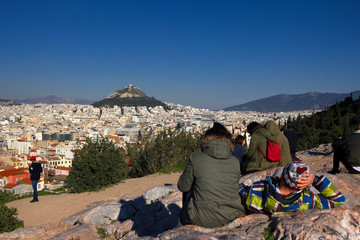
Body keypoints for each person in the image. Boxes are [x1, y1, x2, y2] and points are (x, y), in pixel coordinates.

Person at [178, 122, 246, 228]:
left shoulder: (195, 158)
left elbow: (183, 186)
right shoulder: (234, 161)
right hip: (233, 214)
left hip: (201, 219)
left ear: (206, 140)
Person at [239, 162, 345, 215]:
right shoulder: (308, 200)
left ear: (281, 176)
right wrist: (316, 180)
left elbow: (239, 191)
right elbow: (339, 200)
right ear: (303, 184)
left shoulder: (257, 190)